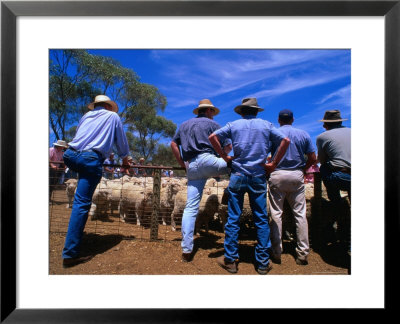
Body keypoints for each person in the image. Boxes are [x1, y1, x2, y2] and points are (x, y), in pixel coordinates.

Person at [209, 98, 290, 275]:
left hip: (238, 175)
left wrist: (224, 156)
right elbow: (285, 141)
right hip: (258, 176)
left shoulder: (234, 124)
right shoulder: (266, 125)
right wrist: (273, 164)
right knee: (261, 218)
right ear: (256, 111)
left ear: (242, 111)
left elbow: (213, 137)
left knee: (233, 217)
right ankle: (262, 263)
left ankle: (230, 260)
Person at [61, 95, 130, 268]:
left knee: (79, 198)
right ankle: (69, 254)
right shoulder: (112, 116)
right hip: (90, 158)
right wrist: (125, 159)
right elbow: (120, 141)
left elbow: (79, 135)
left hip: (70, 155)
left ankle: (73, 242)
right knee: (82, 203)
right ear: (108, 106)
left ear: (95, 105)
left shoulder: (86, 116)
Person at [171, 99, 232, 262]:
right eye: (213, 112)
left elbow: (173, 144)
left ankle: (186, 249)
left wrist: (182, 164)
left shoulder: (183, 125)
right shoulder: (213, 125)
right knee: (235, 166)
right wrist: (224, 155)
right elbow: (228, 146)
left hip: (191, 166)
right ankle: (229, 191)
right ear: (209, 111)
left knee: (190, 208)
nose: (213, 115)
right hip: (208, 160)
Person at [267, 109, 317, 266]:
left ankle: (276, 251)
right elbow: (313, 158)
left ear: (279, 120)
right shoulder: (303, 134)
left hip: (278, 174)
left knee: (276, 214)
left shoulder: (273, 134)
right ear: (293, 119)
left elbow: (265, 154)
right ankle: (302, 253)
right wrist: (303, 169)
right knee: (300, 214)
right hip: (296, 175)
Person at [316, 110, 351, 251]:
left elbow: (321, 160)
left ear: (326, 124)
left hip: (341, 176)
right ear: (341, 122)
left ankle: (336, 202)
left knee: (324, 168)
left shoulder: (322, 137)